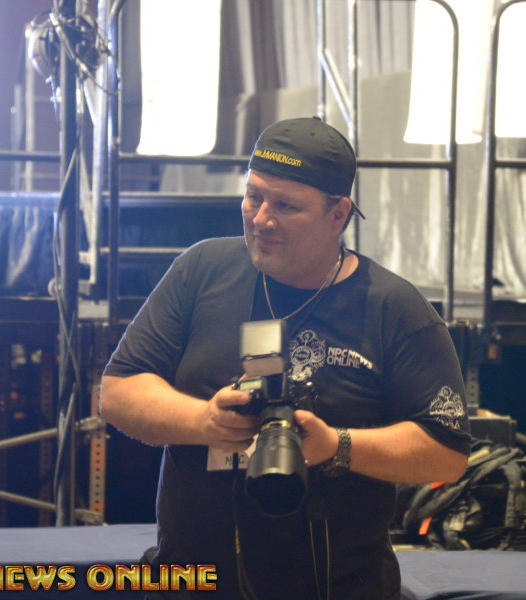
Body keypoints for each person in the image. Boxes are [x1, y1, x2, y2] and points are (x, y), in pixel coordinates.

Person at [100, 117, 471, 599]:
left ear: (338, 215)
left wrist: (336, 445)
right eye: (253, 196)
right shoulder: (201, 271)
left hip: (336, 588)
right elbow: (118, 390)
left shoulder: (393, 308)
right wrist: (204, 422)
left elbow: (446, 451)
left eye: (286, 205)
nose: (261, 219)